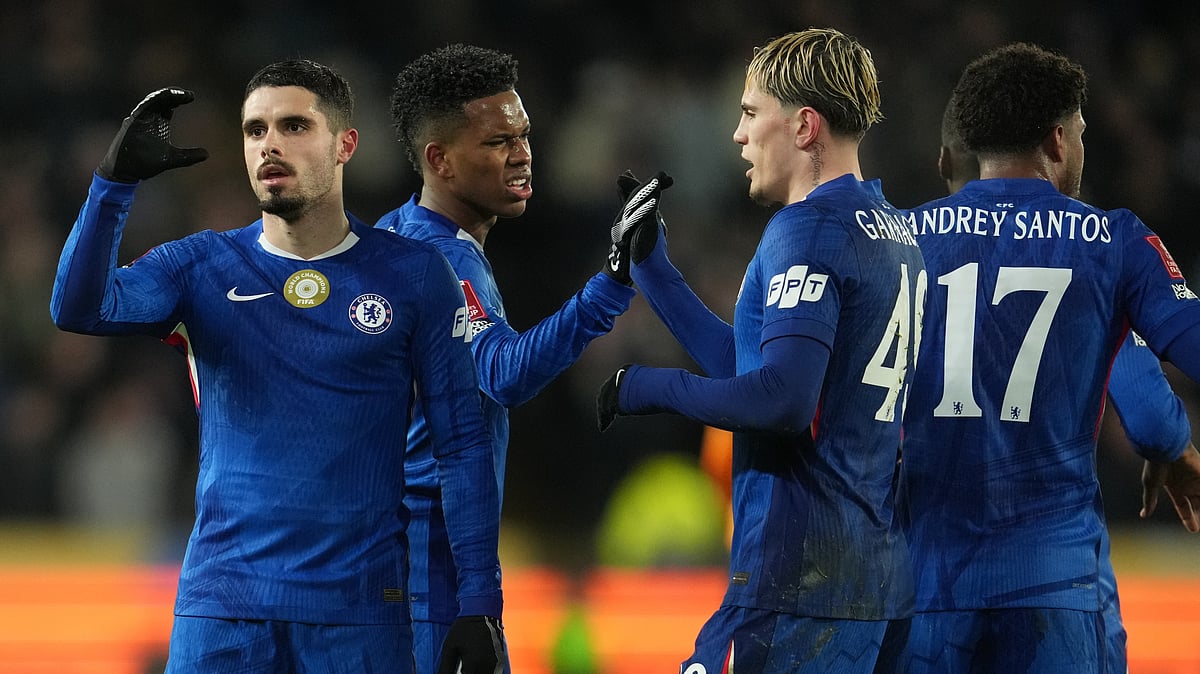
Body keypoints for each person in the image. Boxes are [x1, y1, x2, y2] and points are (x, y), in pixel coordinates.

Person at [49, 60, 506, 674]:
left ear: (346, 144)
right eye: (254, 129)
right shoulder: (201, 266)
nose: (269, 144)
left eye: (294, 126)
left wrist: (480, 602)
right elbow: (80, 309)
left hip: (361, 613)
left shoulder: (415, 275)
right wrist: (112, 187)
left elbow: (462, 446)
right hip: (222, 611)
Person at [596, 28, 924, 673]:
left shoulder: (808, 230)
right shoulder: (890, 227)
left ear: (803, 127)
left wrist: (645, 387)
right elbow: (760, 368)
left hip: (796, 582)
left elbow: (781, 400)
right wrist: (655, 272)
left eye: (750, 113)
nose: (739, 136)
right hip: (872, 581)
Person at [900, 42, 1200, 673]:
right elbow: (1153, 404)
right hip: (1055, 592)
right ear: (1059, 140)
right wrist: (1172, 445)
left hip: (923, 590)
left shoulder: (899, 240)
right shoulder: (1111, 242)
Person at [375, 43, 667, 673]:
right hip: (431, 568)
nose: (522, 153)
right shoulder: (441, 258)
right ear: (440, 160)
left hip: (395, 562)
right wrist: (612, 282)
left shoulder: (395, 234)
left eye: (525, 134)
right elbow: (503, 373)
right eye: (497, 142)